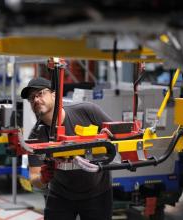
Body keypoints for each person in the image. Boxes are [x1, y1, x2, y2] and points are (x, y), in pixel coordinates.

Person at [20, 77, 114, 220]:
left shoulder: (86, 111)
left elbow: (118, 133)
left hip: (98, 193)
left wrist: (106, 138)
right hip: (60, 195)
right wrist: (43, 178)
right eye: (32, 98)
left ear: (54, 94)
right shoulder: (36, 136)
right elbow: (33, 177)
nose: (36, 100)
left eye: (40, 94)